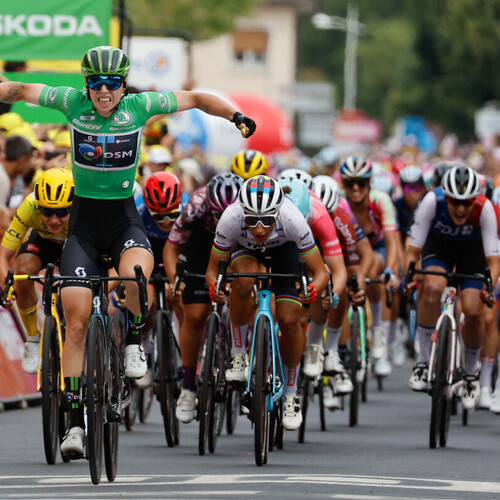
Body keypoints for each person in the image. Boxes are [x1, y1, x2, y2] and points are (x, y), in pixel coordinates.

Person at [0, 45, 256, 459]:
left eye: (112, 83)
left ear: (123, 84)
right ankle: (72, 424)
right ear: (86, 84)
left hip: (123, 224)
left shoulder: (139, 106)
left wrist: (235, 116)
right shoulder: (72, 102)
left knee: (136, 276)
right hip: (82, 231)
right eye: (96, 84)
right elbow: (23, 88)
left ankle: (135, 338)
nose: (104, 91)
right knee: (76, 322)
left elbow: (195, 98)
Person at [205, 175, 329, 430]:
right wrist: (217, 287)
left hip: (285, 252)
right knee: (244, 279)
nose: (260, 229)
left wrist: (312, 291)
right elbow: (212, 270)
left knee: (289, 319)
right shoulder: (231, 217)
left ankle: (291, 395)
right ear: (243, 213)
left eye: (267, 221)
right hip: (245, 251)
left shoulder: (293, 219)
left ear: (278, 213)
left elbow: (321, 272)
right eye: (252, 221)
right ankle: (238, 355)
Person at [405, 165, 499, 410]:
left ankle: (470, 373)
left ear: (474, 200)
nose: (460, 208)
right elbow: (413, 250)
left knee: (474, 310)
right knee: (432, 288)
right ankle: (423, 363)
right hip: (440, 248)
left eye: (466, 203)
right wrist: (409, 277)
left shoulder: (485, 208)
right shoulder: (430, 202)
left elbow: (493, 261)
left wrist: (489, 288)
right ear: (444, 197)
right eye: (454, 201)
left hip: (473, 253)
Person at [164, 172, 243, 424]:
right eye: (217, 214)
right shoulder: (196, 205)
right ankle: (188, 387)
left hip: (239, 244)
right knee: (195, 316)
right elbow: (172, 248)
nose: (222, 219)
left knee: (245, 289)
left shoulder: (247, 206)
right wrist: (175, 280)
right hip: (201, 245)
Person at [0, 168, 73, 373]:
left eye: (61, 212)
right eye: (47, 211)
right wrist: (8, 287)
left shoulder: (84, 207)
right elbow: (3, 255)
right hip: (43, 241)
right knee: (22, 272)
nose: (54, 219)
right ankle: (32, 339)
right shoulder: (30, 206)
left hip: (75, 242)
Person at [339, 155, 400, 377]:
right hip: (349, 251)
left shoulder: (381, 200)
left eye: (361, 182)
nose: (355, 188)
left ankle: (378, 337)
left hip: (378, 248)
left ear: (369, 182)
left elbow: (393, 241)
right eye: (349, 183)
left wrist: (391, 270)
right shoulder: (340, 202)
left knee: (374, 267)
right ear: (343, 184)